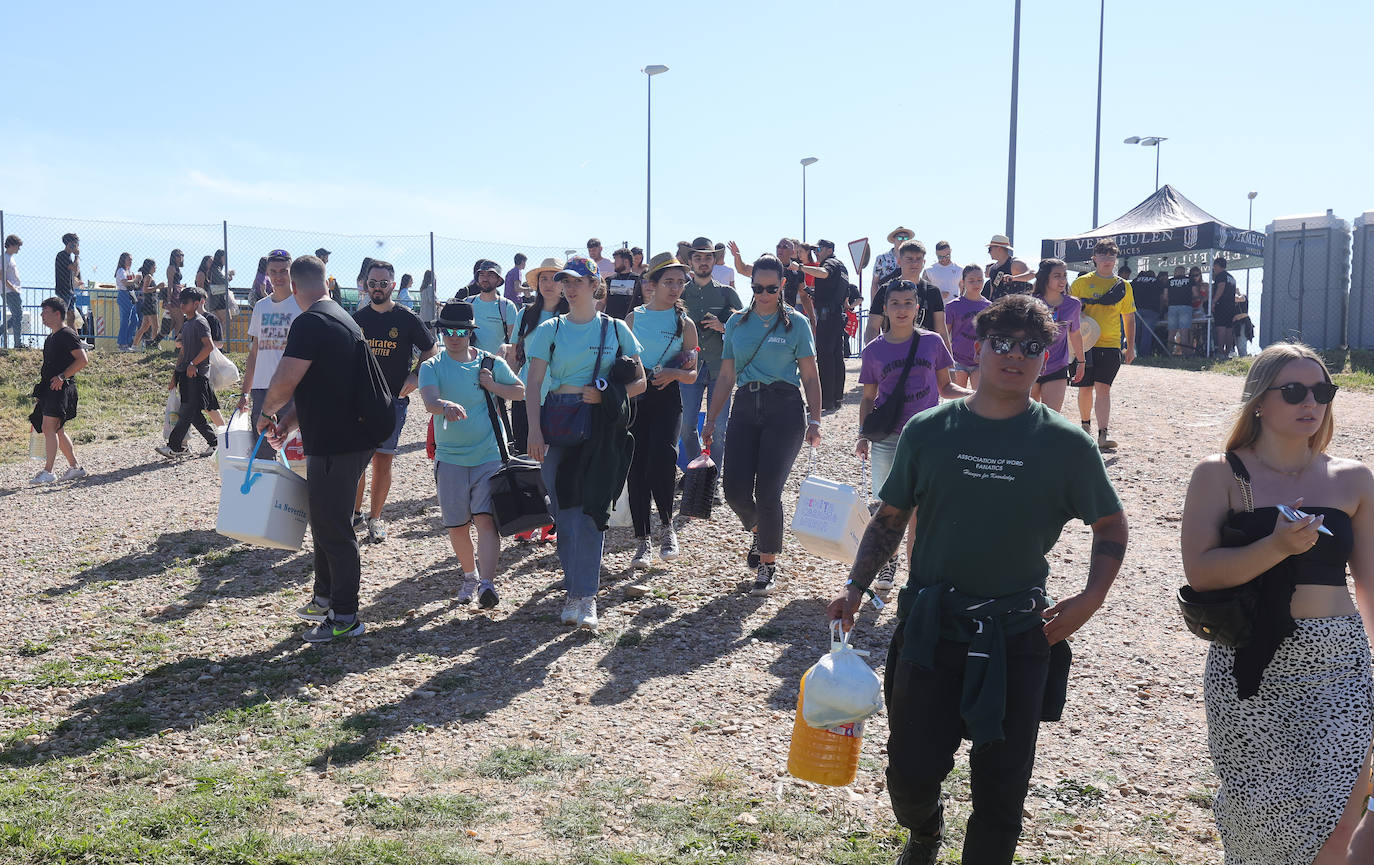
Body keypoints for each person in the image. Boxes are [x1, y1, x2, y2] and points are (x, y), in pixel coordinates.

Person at [828, 294, 1128, 865]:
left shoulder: (1066, 444)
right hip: (930, 627)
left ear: (1050, 356)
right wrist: (856, 587)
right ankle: (924, 832)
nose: (1015, 356)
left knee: (1001, 792)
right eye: (1002, 343)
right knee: (910, 773)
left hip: (1018, 634)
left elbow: (1110, 522)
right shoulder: (929, 430)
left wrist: (1090, 600)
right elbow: (890, 518)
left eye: (1032, 347)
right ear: (977, 348)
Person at [1181, 342, 1374, 865]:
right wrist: (1276, 548)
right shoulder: (1218, 474)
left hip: (1340, 664)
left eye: (1322, 391)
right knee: (1257, 817)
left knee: (1337, 817)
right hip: (1250, 665)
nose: (1311, 402)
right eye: (1294, 391)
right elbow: (1199, 573)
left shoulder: (1353, 477)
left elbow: (1371, 585)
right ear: (1259, 401)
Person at [258, 254, 378, 643]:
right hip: (347, 437)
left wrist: (266, 412)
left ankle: (345, 616)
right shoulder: (342, 318)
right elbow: (318, 387)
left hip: (337, 443)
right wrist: (288, 422)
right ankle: (325, 597)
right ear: (328, 282)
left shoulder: (310, 322)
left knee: (334, 530)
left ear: (294, 288)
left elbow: (286, 379)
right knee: (325, 522)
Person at [524, 256, 647, 630]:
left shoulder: (614, 329)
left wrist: (605, 392)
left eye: (578, 281)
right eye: (566, 281)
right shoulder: (550, 330)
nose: (570, 287)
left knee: (592, 510)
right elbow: (532, 385)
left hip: (599, 426)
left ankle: (586, 596)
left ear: (596, 285)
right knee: (563, 514)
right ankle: (573, 590)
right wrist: (533, 431)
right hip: (557, 422)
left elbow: (640, 381)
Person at [704, 254, 822, 595]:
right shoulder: (737, 323)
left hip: (784, 409)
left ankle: (767, 563)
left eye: (771, 287)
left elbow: (811, 377)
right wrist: (711, 419)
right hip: (745, 405)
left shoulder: (796, 323)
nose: (764, 293)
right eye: (757, 287)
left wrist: (815, 419)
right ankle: (761, 530)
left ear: (783, 285)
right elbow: (726, 376)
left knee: (768, 491)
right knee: (734, 490)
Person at [856, 278, 969, 594]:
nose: (902, 309)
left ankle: (916, 577)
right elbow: (868, 397)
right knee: (885, 508)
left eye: (908, 303)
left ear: (918, 307)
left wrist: (974, 395)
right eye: (895, 303)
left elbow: (945, 387)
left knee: (921, 511)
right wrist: (862, 435)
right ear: (885, 308)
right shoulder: (873, 350)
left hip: (927, 437)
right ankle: (888, 563)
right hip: (887, 439)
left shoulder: (933, 342)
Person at [419, 301, 525, 608]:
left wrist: (493, 386)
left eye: (461, 331)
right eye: (448, 330)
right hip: (450, 457)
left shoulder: (489, 363)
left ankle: (487, 584)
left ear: (470, 333)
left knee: (485, 520)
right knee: (456, 524)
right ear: (441, 332)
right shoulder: (431, 366)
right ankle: (469, 575)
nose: (454, 336)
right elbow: (428, 400)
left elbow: (519, 391)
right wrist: (445, 407)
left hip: (489, 454)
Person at [353, 259, 439, 543]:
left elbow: (431, 349)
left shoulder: (406, 318)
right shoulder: (357, 319)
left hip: (393, 401)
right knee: (356, 461)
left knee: (382, 460)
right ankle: (354, 514)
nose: (377, 288)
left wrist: (415, 377)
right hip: (359, 400)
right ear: (366, 285)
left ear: (392, 285)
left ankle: (375, 518)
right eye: (372, 283)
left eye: (383, 283)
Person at [625, 252, 699, 576]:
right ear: (651, 284)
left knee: (664, 458)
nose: (675, 287)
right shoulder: (632, 320)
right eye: (668, 281)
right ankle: (643, 540)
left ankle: (667, 527)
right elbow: (623, 363)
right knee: (636, 466)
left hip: (668, 396)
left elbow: (693, 373)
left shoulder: (685, 323)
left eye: (680, 282)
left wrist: (672, 374)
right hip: (637, 400)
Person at [680, 236, 745, 464]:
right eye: (697, 257)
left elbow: (746, 327)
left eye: (707, 257)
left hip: (722, 369)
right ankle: (695, 472)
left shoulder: (727, 294)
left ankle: (712, 479)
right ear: (690, 262)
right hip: (688, 369)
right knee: (686, 427)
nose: (703, 262)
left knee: (717, 429)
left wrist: (723, 326)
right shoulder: (679, 295)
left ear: (714, 260)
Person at [1070, 240, 1135, 451]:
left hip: (1110, 344)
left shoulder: (1124, 286)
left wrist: (1130, 346)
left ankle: (1103, 434)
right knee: (1085, 388)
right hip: (1085, 344)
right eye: (1103, 256)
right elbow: (1070, 314)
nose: (1107, 260)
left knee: (1104, 388)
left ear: (1116, 259)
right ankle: (1085, 429)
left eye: (1111, 256)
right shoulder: (1080, 283)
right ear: (1094, 258)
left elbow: (1129, 318)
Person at [237, 249, 300, 458]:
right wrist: (245, 393)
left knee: (295, 450)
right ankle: (264, 488)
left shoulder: (302, 305)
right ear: (267, 273)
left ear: (292, 273)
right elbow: (254, 353)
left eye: (284, 271)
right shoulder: (261, 307)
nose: (278, 276)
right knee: (262, 451)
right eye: (273, 271)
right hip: (263, 388)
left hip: (292, 387)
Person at [507, 257, 567, 455]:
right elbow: (514, 357)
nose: (549, 284)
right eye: (544, 279)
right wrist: (507, 390)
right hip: (525, 396)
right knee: (526, 459)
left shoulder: (574, 317)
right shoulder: (525, 314)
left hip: (561, 399)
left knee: (558, 461)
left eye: (555, 278)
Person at [29, 296, 88, 484]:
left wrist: (63, 377)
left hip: (62, 388)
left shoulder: (67, 334)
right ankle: (75, 468)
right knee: (57, 430)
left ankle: (48, 471)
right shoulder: (51, 338)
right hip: (50, 388)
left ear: (57, 313)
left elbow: (82, 360)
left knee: (49, 428)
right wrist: (40, 394)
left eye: (45, 312)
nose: (42, 316)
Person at [155, 287, 218, 459]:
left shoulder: (200, 322)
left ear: (196, 303)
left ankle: (175, 446)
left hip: (196, 376)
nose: (182, 305)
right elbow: (182, 352)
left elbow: (209, 346)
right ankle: (215, 443)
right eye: (180, 301)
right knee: (194, 414)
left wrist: (193, 364)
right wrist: (175, 376)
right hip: (186, 374)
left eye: (186, 302)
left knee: (186, 411)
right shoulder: (187, 323)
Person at [866, 240, 948, 348]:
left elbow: (941, 330)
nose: (914, 263)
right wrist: (872, 355)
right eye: (909, 259)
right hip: (893, 352)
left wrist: (949, 362)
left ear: (924, 262)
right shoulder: (885, 290)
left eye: (918, 259)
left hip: (926, 355)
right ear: (899, 261)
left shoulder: (933, 292)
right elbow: (872, 327)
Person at [1030, 258, 1086, 413]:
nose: (1062, 280)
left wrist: (1081, 362)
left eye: (1064, 275)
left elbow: (1075, 333)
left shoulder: (1073, 304)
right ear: (1045, 277)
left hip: (1057, 366)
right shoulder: (1030, 303)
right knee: (1027, 418)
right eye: (1057, 276)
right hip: (1029, 366)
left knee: (1052, 418)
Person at [801, 239, 851, 412]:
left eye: (819, 249)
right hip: (836, 314)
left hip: (827, 316)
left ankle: (826, 400)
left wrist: (800, 267)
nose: (816, 253)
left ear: (829, 250)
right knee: (837, 357)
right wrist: (815, 293)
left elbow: (823, 273)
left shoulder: (830, 263)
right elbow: (841, 293)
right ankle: (836, 398)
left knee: (825, 358)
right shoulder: (842, 267)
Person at [729, 238, 815, 326]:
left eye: (784, 247)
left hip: (787, 318)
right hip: (763, 316)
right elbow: (743, 269)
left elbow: (804, 296)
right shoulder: (768, 265)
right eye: (778, 246)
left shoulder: (797, 271)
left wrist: (812, 318)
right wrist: (737, 256)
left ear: (792, 252)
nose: (780, 249)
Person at [943, 264, 990, 389]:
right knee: (957, 400)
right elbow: (945, 334)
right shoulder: (952, 306)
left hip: (980, 360)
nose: (976, 284)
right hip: (957, 359)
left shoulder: (989, 307)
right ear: (963, 282)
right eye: (971, 281)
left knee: (978, 398)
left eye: (980, 280)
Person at [984, 234, 1032, 301]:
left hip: (1016, 307)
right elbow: (992, 292)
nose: (988, 252)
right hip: (998, 308)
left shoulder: (1015, 263)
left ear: (999, 248)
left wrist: (1014, 278)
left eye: (990, 249)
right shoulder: (992, 268)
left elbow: (1032, 274)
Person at [1130, 267, 1165, 357]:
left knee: (1136, 332)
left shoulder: (1135, 281)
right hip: (1151, 310)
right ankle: (1144, 354)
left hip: (1136, 310)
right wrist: (1160, 311)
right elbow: (1162, 297)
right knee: (1147, 333)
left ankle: (1136, 353)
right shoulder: (1157, 282)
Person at [130, 258, 162, 350]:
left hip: (149, 303)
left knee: (144, 327)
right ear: (151, 267)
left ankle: (134, 345)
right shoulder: (148, 276)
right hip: (150, 303)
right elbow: (145, 290)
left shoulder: (148, 276)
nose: (156, 267)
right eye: (154, 266)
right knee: (155, 326)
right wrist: (157, 287)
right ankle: (155, 346)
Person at [1211, 257, 1239, 358]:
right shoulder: (1231, 277)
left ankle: (1221, 352)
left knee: (1221, 328)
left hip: (1221, 305)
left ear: (1217, 265)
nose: (1213, 268)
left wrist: (1214, 301)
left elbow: (1221, 287)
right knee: (1229, 329)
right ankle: (1227, 352)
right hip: (1231, 306)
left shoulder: (1220, 275)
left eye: (1214, 266)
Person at [604, 248, 642, 320]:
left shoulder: (638, 280)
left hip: (631, 322)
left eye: (616, 260)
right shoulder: (609, 280)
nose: (614, 263)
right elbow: (602, 302)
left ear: (626, 262)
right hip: (611, 323)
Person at [54, 233, 81, 331]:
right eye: (74, 243)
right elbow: (73, 268)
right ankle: (56, 337)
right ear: (69, 243)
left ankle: (75, 339)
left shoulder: (69, 256)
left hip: (70, 290)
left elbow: (76, 271)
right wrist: (77, 255)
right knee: (61, 315)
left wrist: (76, 257)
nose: (76, 246)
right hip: (63, 290)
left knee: (71, 316)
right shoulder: (62, 255)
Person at [1165, 265, 1193, 356]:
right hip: (1186, 306)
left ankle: (1169, 354)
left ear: (1175, 272)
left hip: (1172, 307)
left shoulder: (1169, 281)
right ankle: (1185, 355)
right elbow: (1195, 292)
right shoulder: (1189, 280)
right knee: (1184, 333)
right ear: (1184, 272)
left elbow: (1165, 296)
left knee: (1171, 333)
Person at [114, 252, 140, 351]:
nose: (131, 261)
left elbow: (133, 284)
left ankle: (128, 342)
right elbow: (125, 283)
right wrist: (134, 280)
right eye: (129, 259)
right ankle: (122, 343)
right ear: (123, 260)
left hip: (130, 294)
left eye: (131, 260)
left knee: (134, 320)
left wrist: (136, 281)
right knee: (125, 320)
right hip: (124, 294)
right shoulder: (121, 271)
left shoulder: (128, 271)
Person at [925, 241, 963, 305]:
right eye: (940, 257)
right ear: (936, 253)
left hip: (954, 308)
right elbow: (924, 292)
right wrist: (938, 295)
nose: (944, 259)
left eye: (947, 256)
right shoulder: (929, 271)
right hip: (936, 308)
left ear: (950, 251)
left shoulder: (960, 270)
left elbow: (963, 291)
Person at [205, 249, 234, 333]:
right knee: (226, 321)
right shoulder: (215, 268)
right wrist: (229, 275)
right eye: (225, 257)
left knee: (220, 323)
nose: (226, 260)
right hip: (218, 299)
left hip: (217, 298)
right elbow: (221, 281)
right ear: (220, 258)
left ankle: (217, 341)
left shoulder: (217, 268)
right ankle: (218, 341)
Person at [3, 234, 23, 348]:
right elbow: (2, 275)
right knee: (17, 315)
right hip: (10, 291)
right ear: (11, 245)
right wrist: (12, 288)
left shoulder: (10, 258)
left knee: (17, 316)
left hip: (13, 290)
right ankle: (18, 343)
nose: (18, 249)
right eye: (17, 246)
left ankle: (17, 342)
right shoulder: (4, 258)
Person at [165, 249, 186, 338]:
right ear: (173, 257)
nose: (180, 257)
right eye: (178, 255)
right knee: (180, 321)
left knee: (176, 322)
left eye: (182, 255)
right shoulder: (171, 268)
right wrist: (169, 301)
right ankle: (178, 344)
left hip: (178, 293)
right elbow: (170, 285)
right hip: (174, 296)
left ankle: (155, 341)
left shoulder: (177, 268)